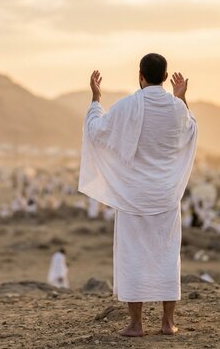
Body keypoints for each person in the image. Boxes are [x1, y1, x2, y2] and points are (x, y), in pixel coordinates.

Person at [79, 54, 197, 337]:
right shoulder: (176, 108)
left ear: (140, 76)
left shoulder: (127, 106)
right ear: (166, 77)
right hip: (165, 196)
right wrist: (181, 98)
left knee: (133, 256)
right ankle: (168, 323)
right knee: (167, 255)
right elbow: (190, 129)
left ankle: (136, 324)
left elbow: (96, 131)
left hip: (133, 195)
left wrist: (96, 99)